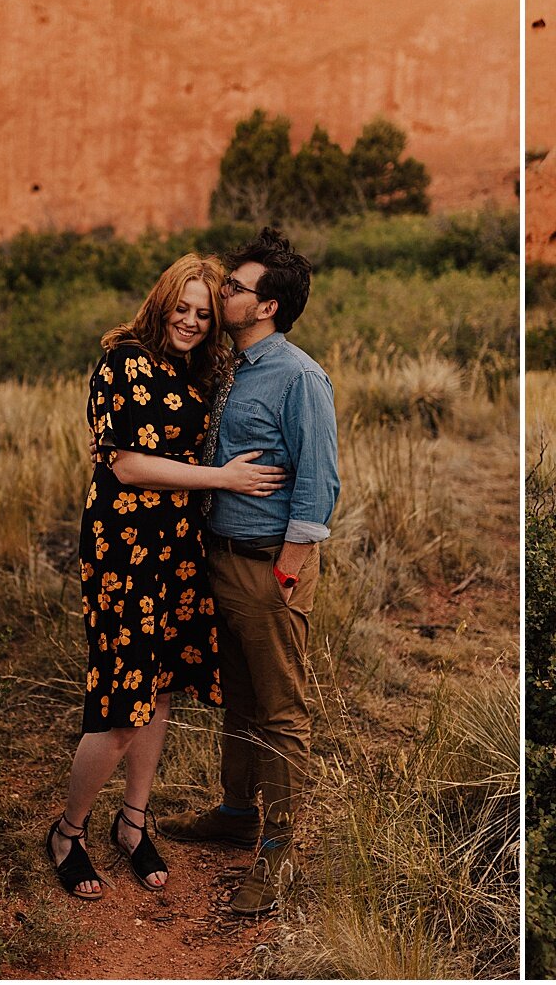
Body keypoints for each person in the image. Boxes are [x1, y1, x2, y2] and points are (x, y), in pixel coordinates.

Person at [45, 254, 283, 900]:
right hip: (123, 544)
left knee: (165, 683)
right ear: (162, 302)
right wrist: (224, 479)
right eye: (183, 308)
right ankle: (68, 832)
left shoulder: (198, 370)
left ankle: (133, 822)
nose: (192, 321)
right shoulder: (122, 361)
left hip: (176, 546)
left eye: (204, 315)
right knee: (124, 701)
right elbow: (125, 465)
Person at [159, 227, 340, 918]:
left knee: (280, 711)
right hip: (216, 559)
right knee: (236, 697)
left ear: (265, 306)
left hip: (268, 568)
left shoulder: (299, 376)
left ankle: (279, 848)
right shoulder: (229, 366)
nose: (221, 292)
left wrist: (288, 571)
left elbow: (319, 481)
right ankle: (236, 812)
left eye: (233, 287)